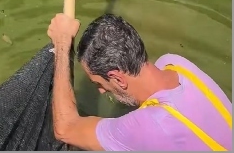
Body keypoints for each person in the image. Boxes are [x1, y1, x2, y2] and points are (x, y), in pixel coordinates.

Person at [47, 13, 232, 151]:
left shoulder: (146, 126)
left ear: (118, 78)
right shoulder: (175, 63)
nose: (102, 91)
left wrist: (62, 44)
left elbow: (66, 129)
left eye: (99, 84)